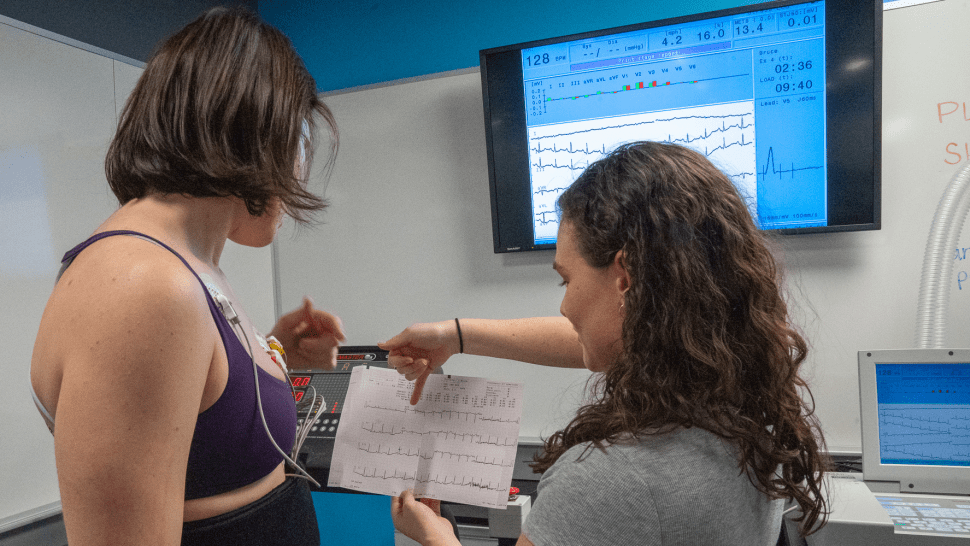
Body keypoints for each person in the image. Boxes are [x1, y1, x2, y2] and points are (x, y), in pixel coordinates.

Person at [382, 141, 830, 545]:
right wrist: (457, 336)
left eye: (566, 280)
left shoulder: (612, 483)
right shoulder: (751, 413)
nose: (565, 309)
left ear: (624, 277)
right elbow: (597, 339)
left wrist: (436, 539)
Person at [29, 7, 345, 545]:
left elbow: (203, 427)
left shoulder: (187, 265)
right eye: (300, 140)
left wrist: (273, 356)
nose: (300, 167)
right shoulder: (142, 286)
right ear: (259, 133)